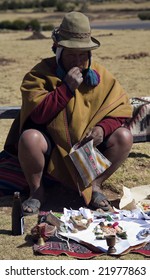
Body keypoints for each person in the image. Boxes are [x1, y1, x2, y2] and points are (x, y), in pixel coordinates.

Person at [4, 11, 133, 215]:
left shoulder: (100, 75)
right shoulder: (39, 74)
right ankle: (37, 191)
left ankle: (95, 185)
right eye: (71, 54)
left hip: (87, 148)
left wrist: (102, 128)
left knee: (124, 136)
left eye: (83, 54)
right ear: (57, 50)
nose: (78, 61)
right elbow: (38, 116)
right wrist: (66, 89)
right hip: (52, 148)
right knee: (29, 138)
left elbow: (121, 111)